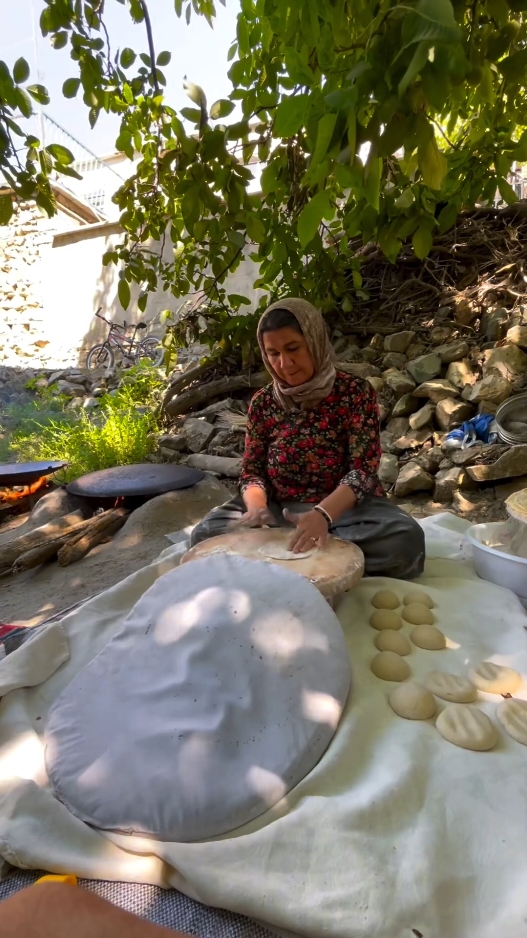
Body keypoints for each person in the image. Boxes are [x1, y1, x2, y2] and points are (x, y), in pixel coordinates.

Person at [191, 298, 425, 580]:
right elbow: (252, 472)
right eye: (273, 353)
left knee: (406, 541)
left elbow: (363, 472)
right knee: (205, 534)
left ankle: (276, 558)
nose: (284, 364)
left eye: (293, 349)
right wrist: (256, 509)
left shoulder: (354, 392)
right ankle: (308, 554)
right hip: (278, 511)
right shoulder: (263, 403)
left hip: (344, 512)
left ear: (314, 342)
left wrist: (322, 516)